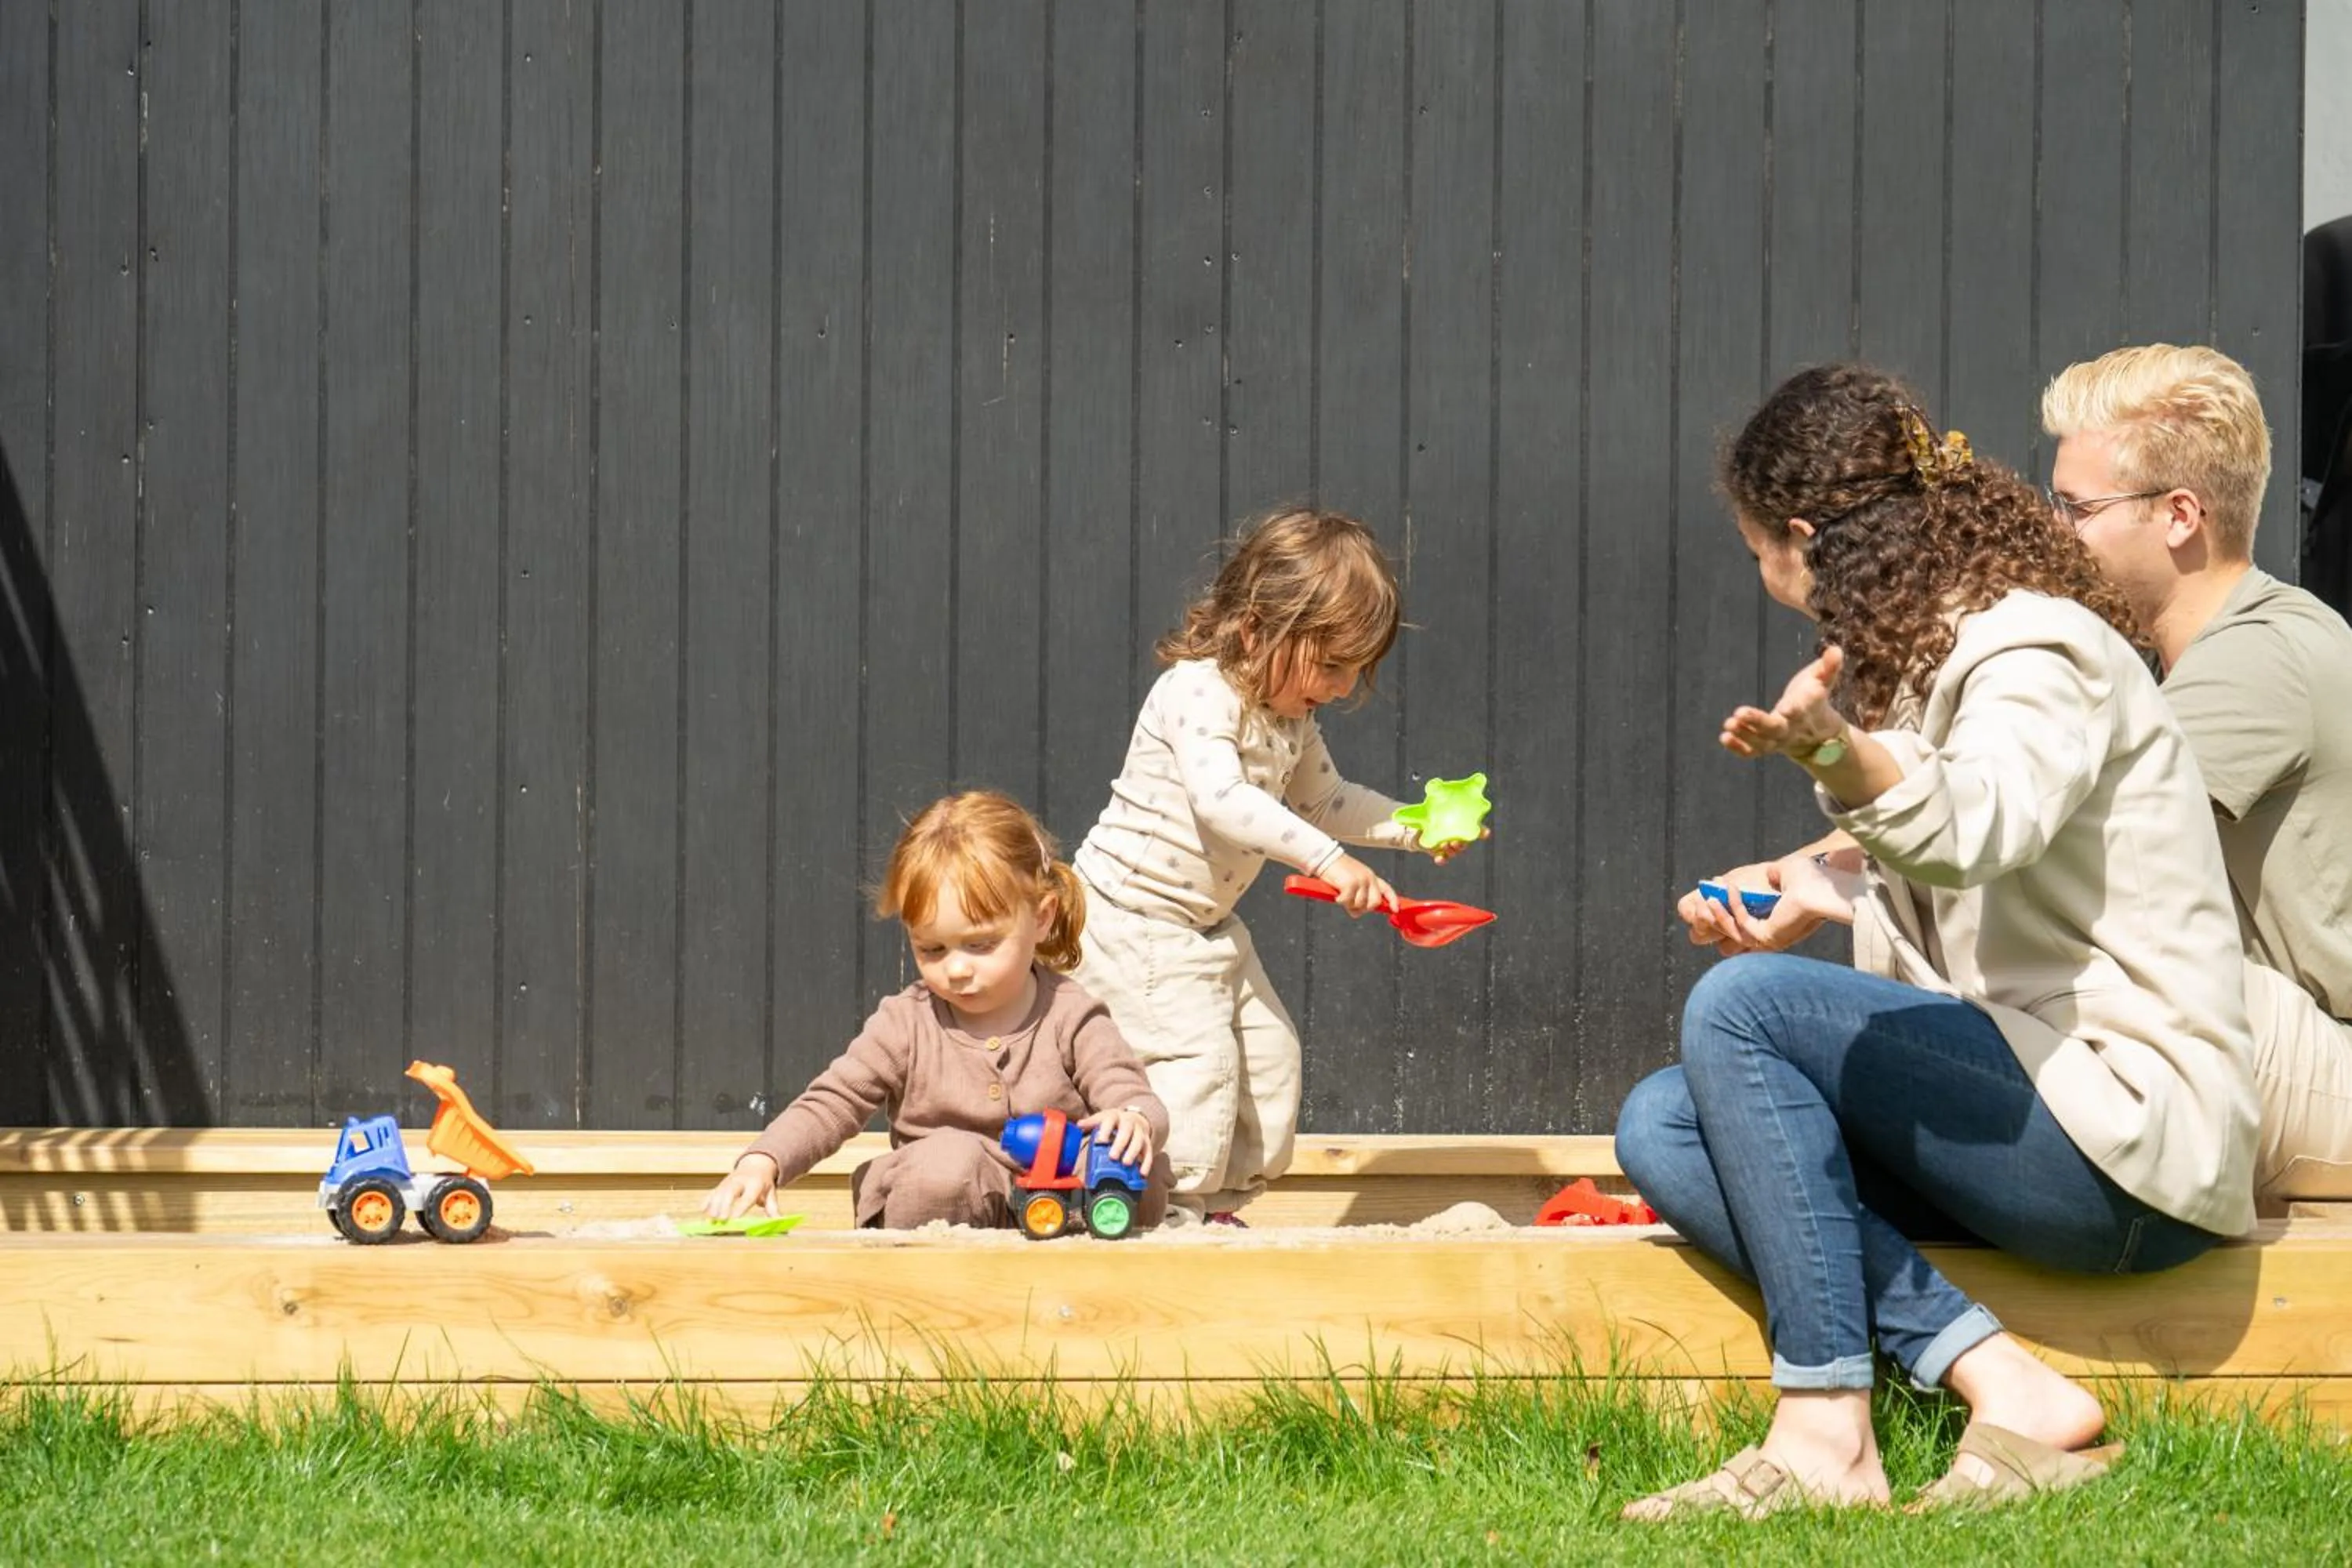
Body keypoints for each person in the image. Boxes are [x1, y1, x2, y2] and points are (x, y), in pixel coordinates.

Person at [1617, 365, 2259, 1519]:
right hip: (2029, 1118)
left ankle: (1826, 1433)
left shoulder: (2031, 648)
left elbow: (1982, 819)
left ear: (1804, 538)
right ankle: (1999, 1377)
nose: (1766, 576)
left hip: (2125, 1150)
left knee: (1743, 1008)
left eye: (1757, 547)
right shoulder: (1946, 649)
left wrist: (1833, 757)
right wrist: (1813, 883)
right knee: (1664, 1121)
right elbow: (1965, 841)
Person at [1069, 507, 1472, 1224]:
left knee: (1268, 1056)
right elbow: (1221, 799)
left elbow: (1327, 801)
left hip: (1203, 926)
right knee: (1200, 1068)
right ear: (1258, 630)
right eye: (1333, 663)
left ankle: (1219, 1204)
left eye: (1358, 669)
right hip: (1131, 920)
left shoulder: (1290, 719)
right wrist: (1329, 861)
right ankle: (1168, 1206)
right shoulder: (1198, 691)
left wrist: (1414, 829)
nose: (1346, 687)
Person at [2042, 344, 2352, 1207]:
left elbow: (2044, 828)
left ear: (2180, 514)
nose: (2053, 532)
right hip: (2285, 1044)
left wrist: (1831, 869)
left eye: (2077, 508)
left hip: (2332, 1062)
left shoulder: (2261, 657)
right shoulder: (2197, 659)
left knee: (2072, 948)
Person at [702, 790, 1169, 1230]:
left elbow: (1128, 1089)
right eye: (932, 949)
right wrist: (764, 1161)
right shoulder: (907, 1023)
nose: (958, 969)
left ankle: (1091, 1284)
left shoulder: (1071, 1015)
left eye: (982, 945)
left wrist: (1131, 1118)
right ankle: (931, 1286)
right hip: (939, 1209)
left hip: (1054, 1204)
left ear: (1042, 918)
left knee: (1125, 1158)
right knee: (949, 1160)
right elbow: (833, 1101)